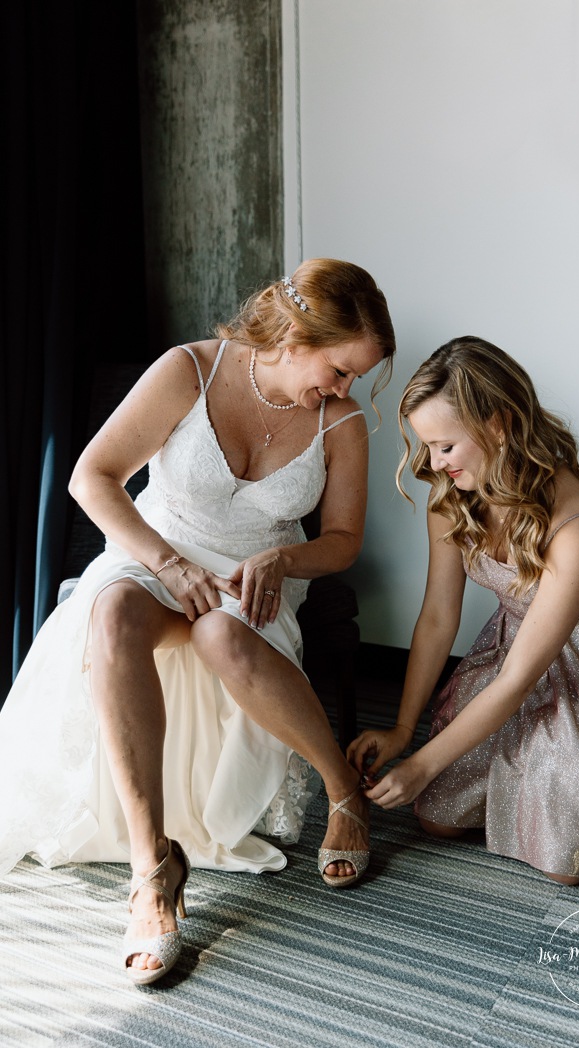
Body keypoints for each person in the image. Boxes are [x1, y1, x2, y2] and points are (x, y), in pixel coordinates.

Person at [0, 258, 395, 984]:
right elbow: (92, 476)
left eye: (355, 378)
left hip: (256, 573)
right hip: (156, 549)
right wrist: (168, 565)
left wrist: (284, 556)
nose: (345, 390)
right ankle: (154, 871)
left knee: (221, 635)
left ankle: (344, 792)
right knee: (114, 611)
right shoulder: (188, 370)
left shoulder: (340, 422)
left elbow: (341, 541)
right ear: (296, 337)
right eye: (340, 370)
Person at [349, 336, 579, 885]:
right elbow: (438, 618)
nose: (434, 464)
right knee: (436, 817)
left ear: (497, 425)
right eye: (427, 447)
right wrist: (401, 729)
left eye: (445, 446)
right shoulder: (452, 497)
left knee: (568, 863)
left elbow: (516, 680)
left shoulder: (577, 519)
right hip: (515, 649)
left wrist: (423, 761)